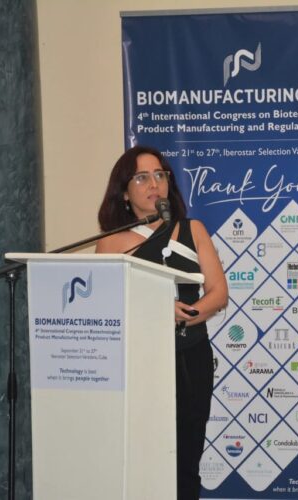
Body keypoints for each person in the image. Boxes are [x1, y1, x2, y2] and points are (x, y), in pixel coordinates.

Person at [96, 145, 228, 499]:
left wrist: (184, 317)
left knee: (186, 457)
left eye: (160, 175)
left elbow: (218, 293)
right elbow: (110, 306)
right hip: (140, 362)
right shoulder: (111, 243)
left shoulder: (192, 229)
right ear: (124, 192)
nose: (154, 184)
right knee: (143, 456)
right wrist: (157, 310)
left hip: (190, 356)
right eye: (142, 178)